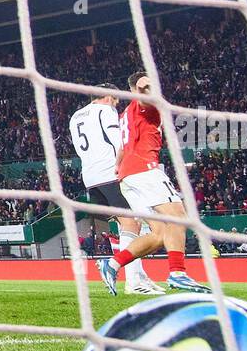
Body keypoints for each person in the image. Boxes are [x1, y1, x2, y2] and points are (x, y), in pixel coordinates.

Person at [97, 72, 211, 295]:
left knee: (159, 233)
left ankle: (112, 264)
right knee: (178, 217)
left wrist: (118, 167)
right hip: (145, 170)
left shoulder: (124, 115)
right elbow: (145, 101)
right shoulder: (144, 104)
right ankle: (178, 273)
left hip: (128, 176)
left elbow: (121, 148)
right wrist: (144, 88)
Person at [69, 85, 163, 294]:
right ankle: (133, 281)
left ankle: (139, 276)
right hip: (111, 173)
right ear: (108, 97)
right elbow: (119, 141)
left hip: (91, 178)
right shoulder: (106, 111)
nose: (117, 104)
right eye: (115, 99)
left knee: (129, 225)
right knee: (134, 223)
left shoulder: (75, 116)